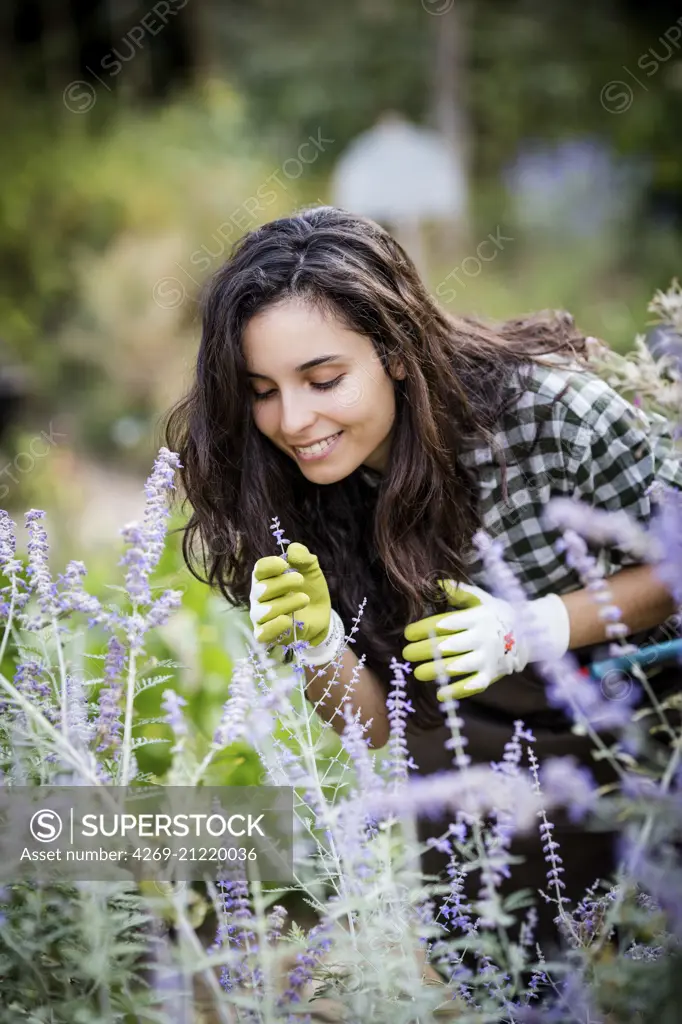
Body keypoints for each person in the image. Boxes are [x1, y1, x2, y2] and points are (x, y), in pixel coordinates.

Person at [166, 205, 682, 948]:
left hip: (650, 720)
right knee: (508, 975)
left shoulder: (552, 412)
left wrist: (532, 628)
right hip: (481, 763)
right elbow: (375, 723)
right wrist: (319, 647)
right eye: (262, 390)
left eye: (324, 379)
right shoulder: (284, 491)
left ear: (397, 350)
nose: (293, 420)